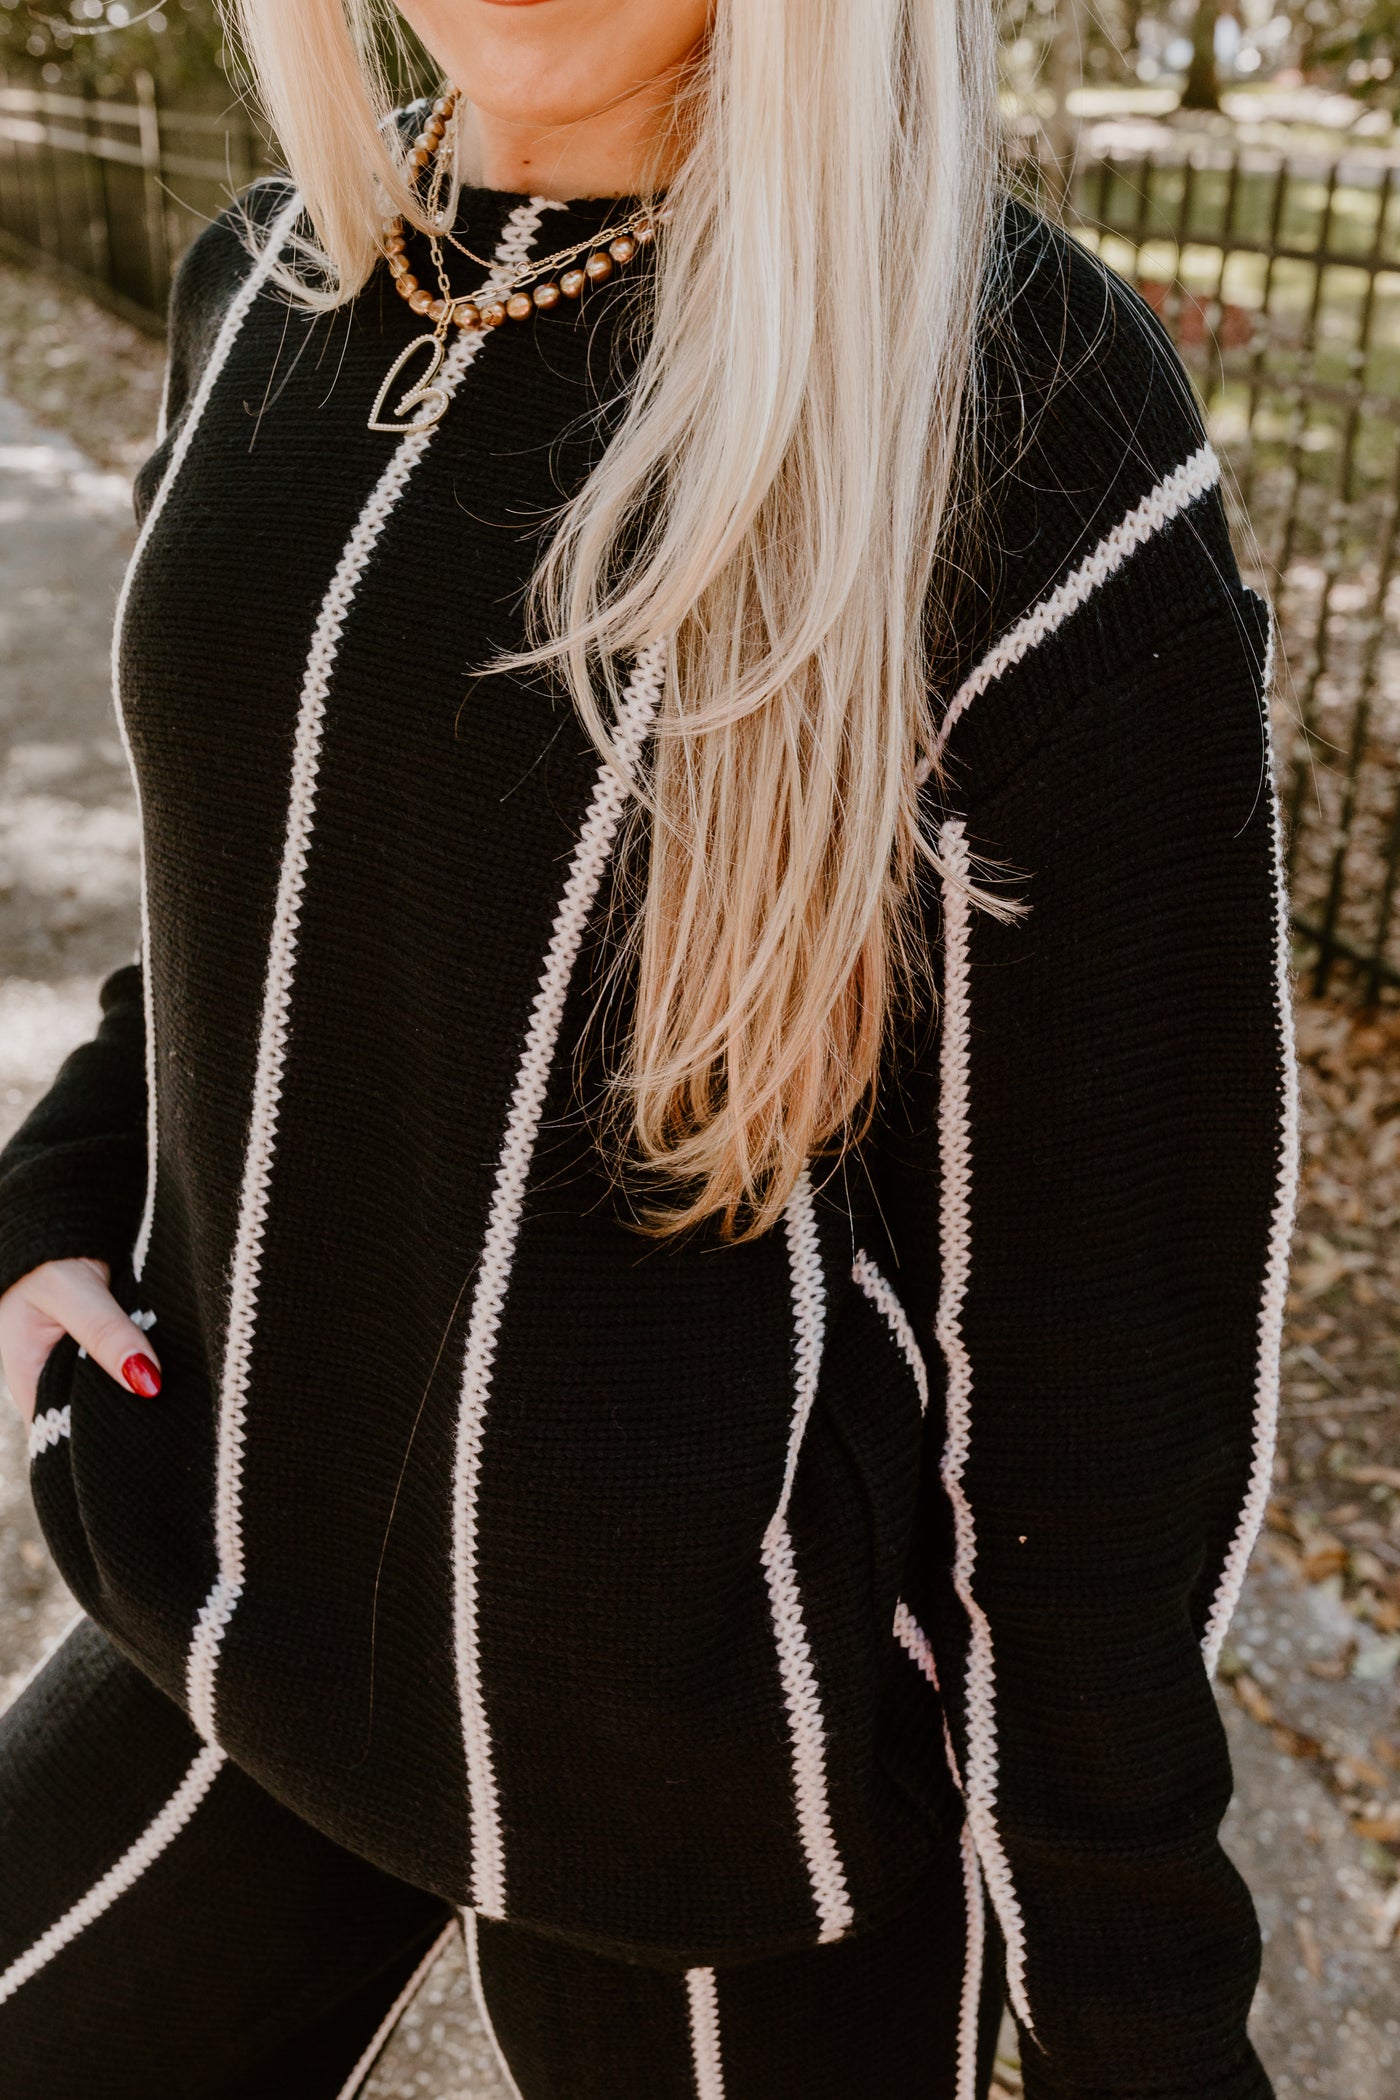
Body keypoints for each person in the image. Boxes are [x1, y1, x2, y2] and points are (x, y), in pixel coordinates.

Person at [0, 1, 1295, 2095]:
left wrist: (1131, 2026)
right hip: (254, 1599)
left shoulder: (1006, 404)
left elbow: (1100, 1372)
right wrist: (55, 1184)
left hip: (722, 1765)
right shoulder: (271, 281)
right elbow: (261, 885)